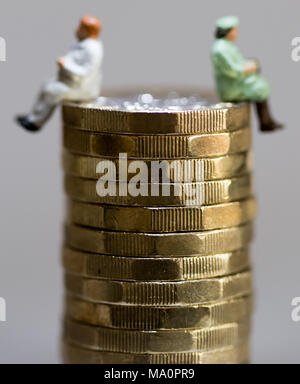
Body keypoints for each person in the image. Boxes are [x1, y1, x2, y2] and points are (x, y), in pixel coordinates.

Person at [16, 16, 103, 132]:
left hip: (81, 88)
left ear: (87, 31)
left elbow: (85, 72)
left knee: (52, 92)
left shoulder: (92, 49)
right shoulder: (83, 44)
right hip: (71, 82)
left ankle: (36, 123)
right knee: (46, 85)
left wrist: (65, 64)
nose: (76, 30)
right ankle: (32, 117)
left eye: (80, 28)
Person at [212, 16, 283, 132]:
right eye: (234, 30)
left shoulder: (227, 46)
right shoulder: (220, 50)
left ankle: (267, 121)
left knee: (261, 83)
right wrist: (250, 67)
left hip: (235, 82)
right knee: (260, 87)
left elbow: (238, 62)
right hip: (231, 86)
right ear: (228, 31)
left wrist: (249, 64)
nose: (236, 33)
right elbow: (233, 71)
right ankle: (265, 123)